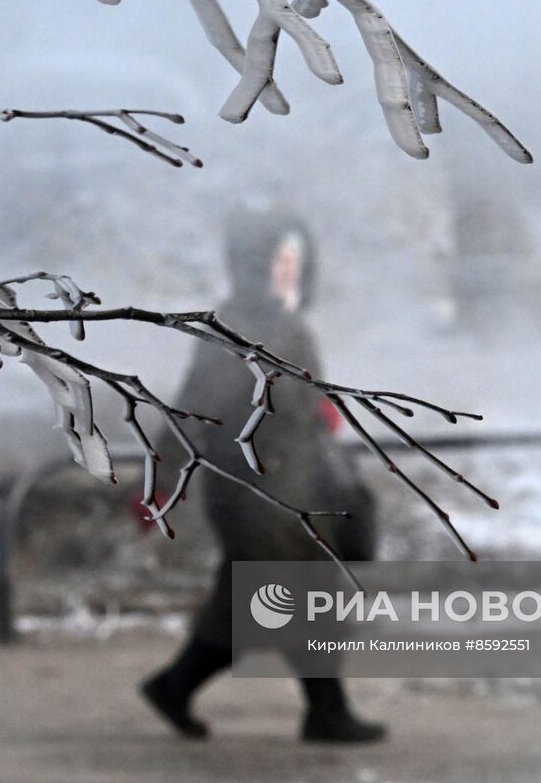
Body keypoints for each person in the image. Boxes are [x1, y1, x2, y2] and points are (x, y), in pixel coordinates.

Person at [140, 207, 386, 744]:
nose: (290, 272)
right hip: (255, 493)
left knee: (253, 604)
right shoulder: (234, 331)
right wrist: (158, 484)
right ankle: (325, 713)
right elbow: (191, 410)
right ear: (253, 265)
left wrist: (319, 412)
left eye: (297, 260)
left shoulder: (288, 323)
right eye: (279, 260)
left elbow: (300, 396)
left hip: (300, 487)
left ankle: (176, 686)